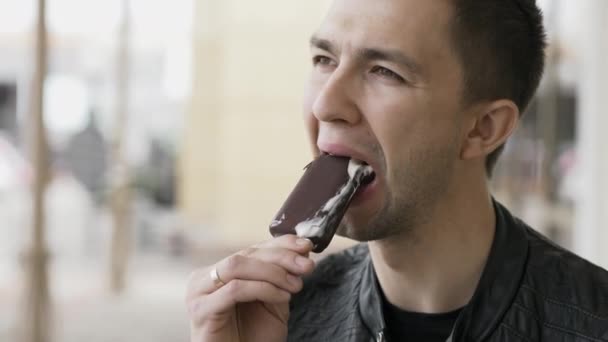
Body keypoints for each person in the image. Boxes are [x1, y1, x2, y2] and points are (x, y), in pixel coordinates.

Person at [186, 0, 608, 341]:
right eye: (323, 59)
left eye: (384, 71)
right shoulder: (278, 316)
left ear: (482, 128)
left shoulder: (591, 322)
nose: (325, 105)